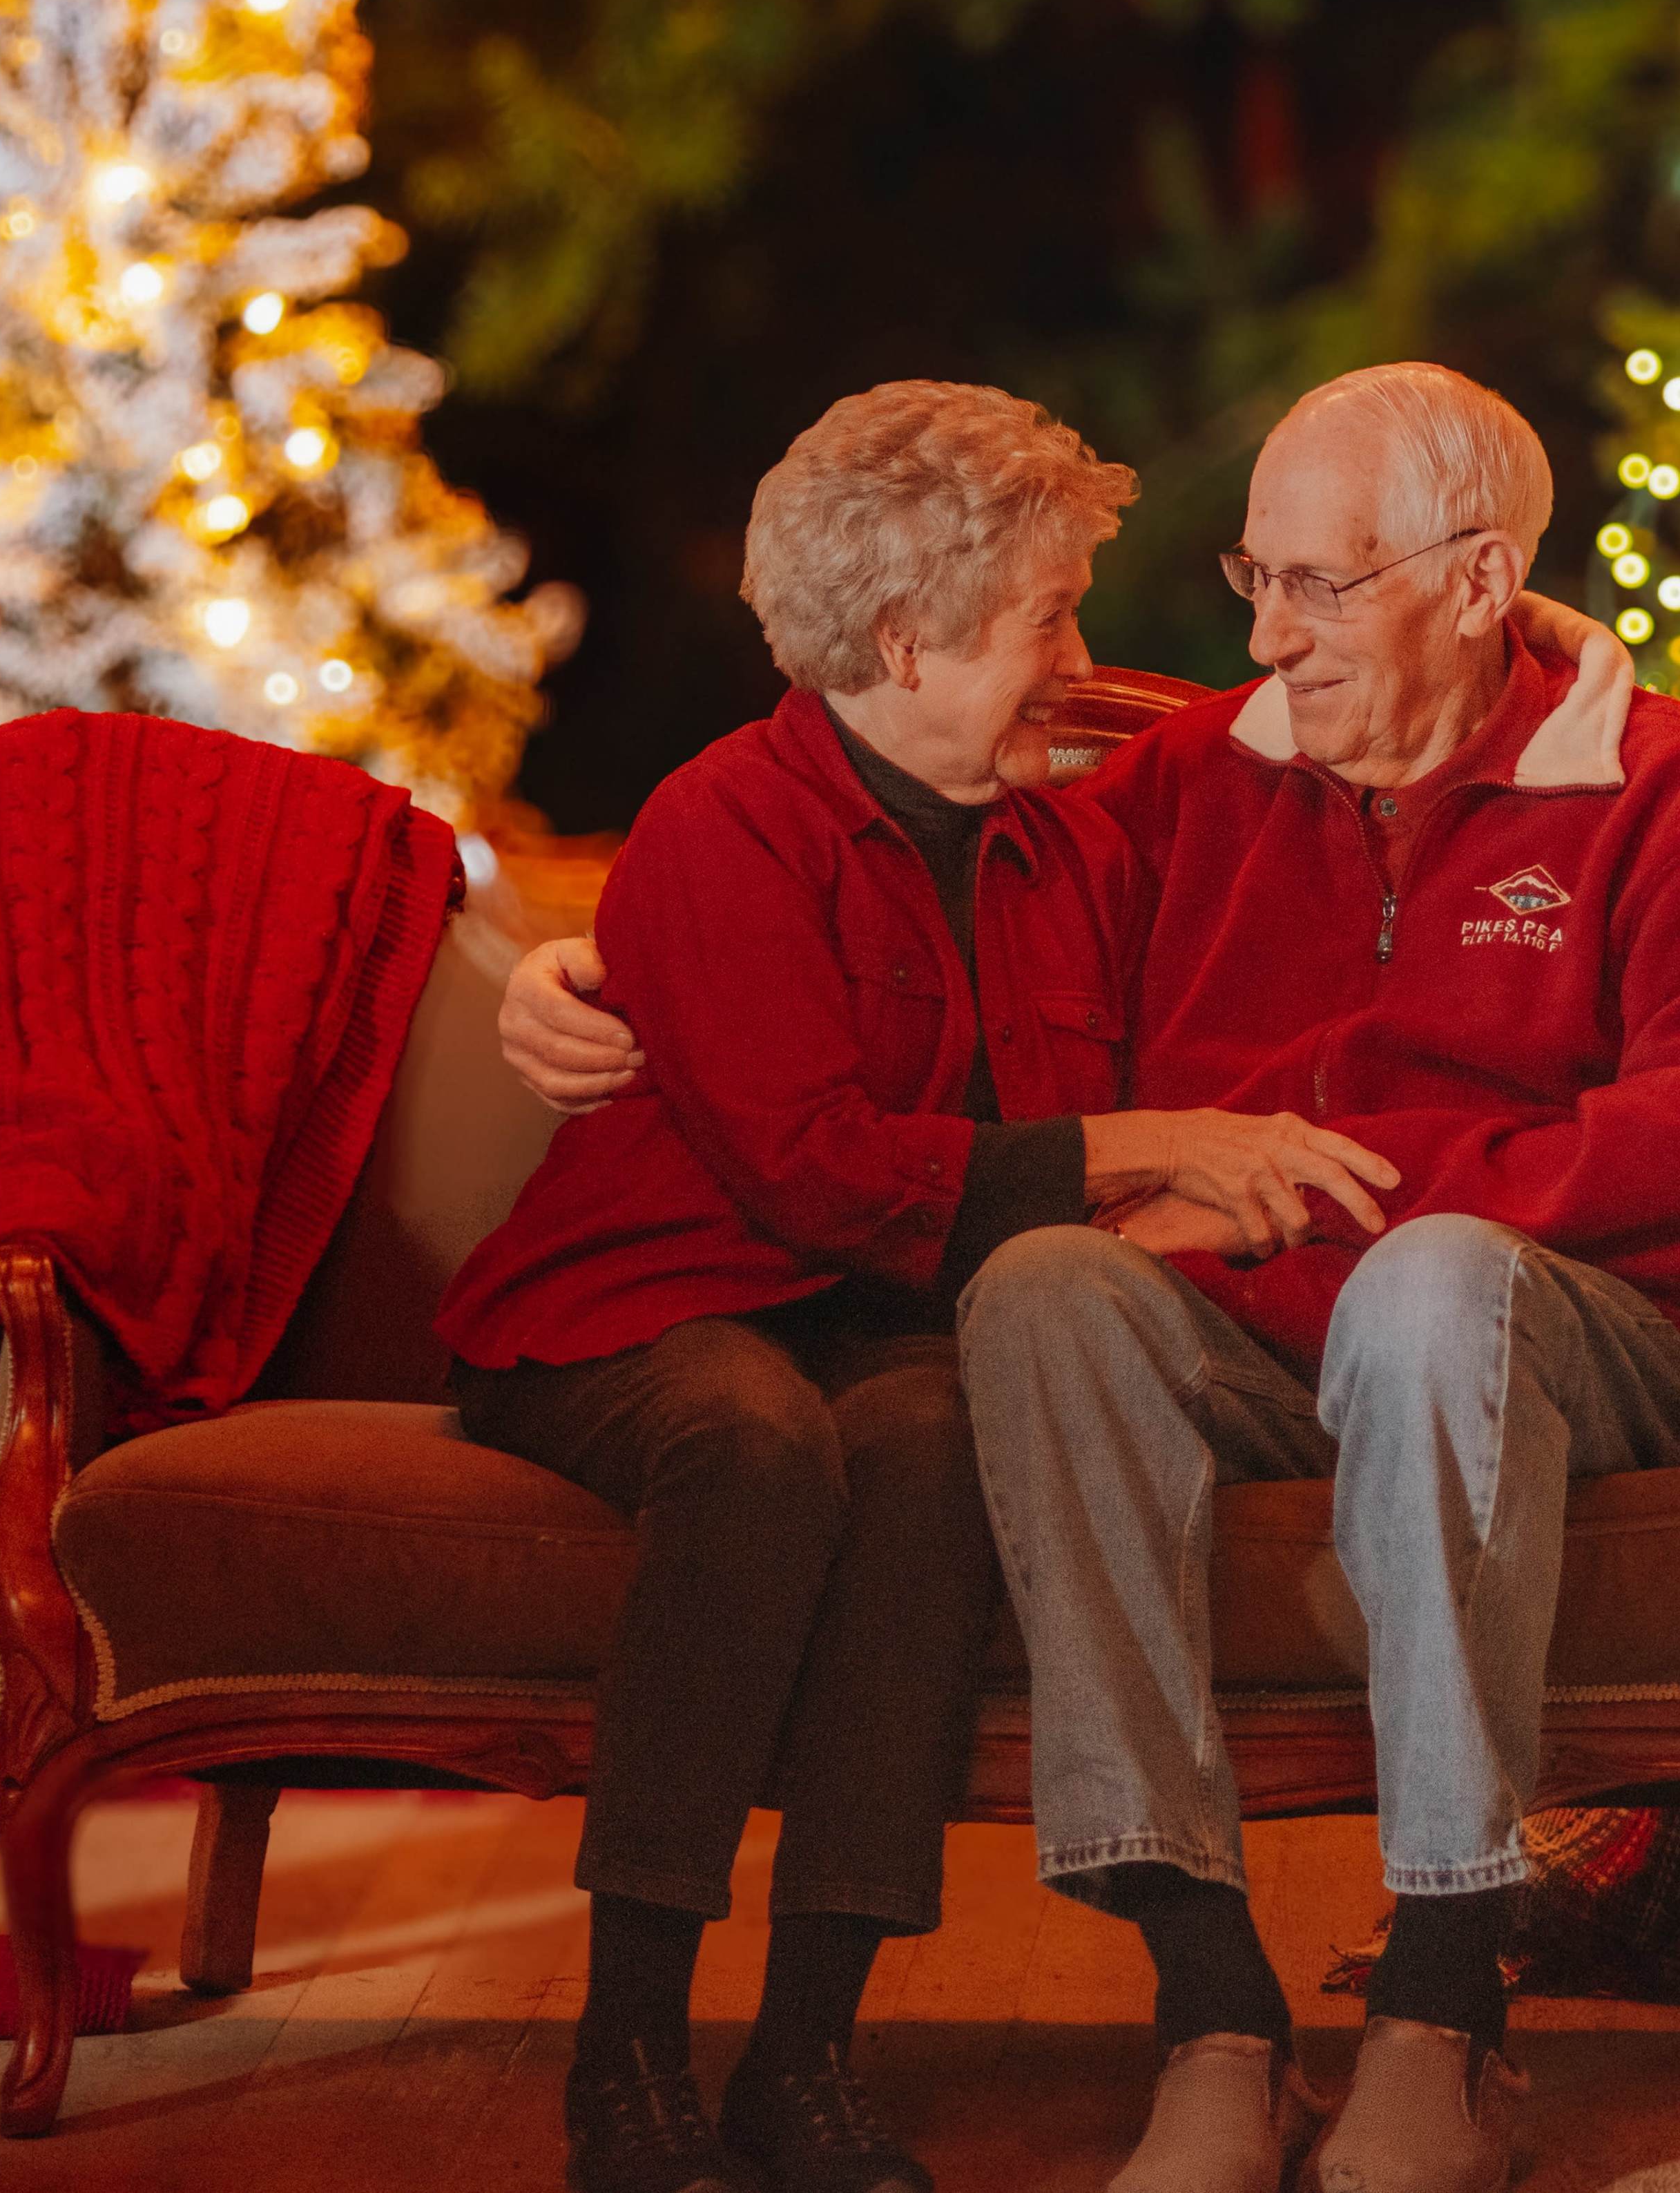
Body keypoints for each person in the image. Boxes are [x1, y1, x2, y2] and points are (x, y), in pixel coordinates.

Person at [508, 361, 1680, 2193]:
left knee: (1434, 1281)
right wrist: (586, 966)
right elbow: (882, 846)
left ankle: (1445, 2006)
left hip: (1560, 1336)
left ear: (1478, 577)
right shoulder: (1197, 780)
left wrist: (1324, 1201)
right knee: (1048, 1287)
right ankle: (1210, 1999)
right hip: (1254, 1336)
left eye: (1323, 584)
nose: (1270, 637)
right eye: (1255, 578)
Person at [441, 381, 1398, 2193]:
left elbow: (1342, 720)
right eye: (1051, 613)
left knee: (939, 1436)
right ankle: (626, 2054)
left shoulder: (1066, 837)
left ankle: (805, 2054)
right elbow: (811, 1171)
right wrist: (1142, 1143)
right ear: (901, 635)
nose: (1082, 656)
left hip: (888, 1322)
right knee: (752, 1443)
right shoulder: (726, 823)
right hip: (644, 1306)